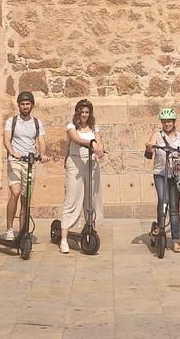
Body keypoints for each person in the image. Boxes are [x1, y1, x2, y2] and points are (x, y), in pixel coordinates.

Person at [58, 99, 105, 254]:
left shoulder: (94, 127)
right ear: (77, 112)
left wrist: (100, 149)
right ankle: (64, 239)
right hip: (75, 162)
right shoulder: (71, 127)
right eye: (82, 111)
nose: (84, 114)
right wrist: (92, 143)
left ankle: (90, 231)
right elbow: (76, 139)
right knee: (72, 199)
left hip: (91, 163)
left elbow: (99, 142)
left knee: (91, 199)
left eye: (87, 112)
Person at [2, 91, 48, 239]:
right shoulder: (12, 121)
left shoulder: (37, 123)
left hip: (30, 162)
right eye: (22, 104)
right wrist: (12, 152)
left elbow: (41, 141)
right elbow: (7, 139)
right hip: (15, 161)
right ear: (19, 105)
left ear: (32, 105)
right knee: (15, 193)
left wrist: (42, 154)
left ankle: (23, 231)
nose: (25, 106)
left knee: (25, 198)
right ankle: (9, 228)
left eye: (28, 104)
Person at [145, 108, 180, 252]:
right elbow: (149, 154)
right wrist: (149, 148)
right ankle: (160, 227)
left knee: (174, 208)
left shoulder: (179, 136)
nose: (167, 124)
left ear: (174, 122)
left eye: (169, 121)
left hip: (175, 174)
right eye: (165, 122)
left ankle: (175, 241)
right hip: (160, 173)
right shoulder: (157, 135)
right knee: (163, 199)